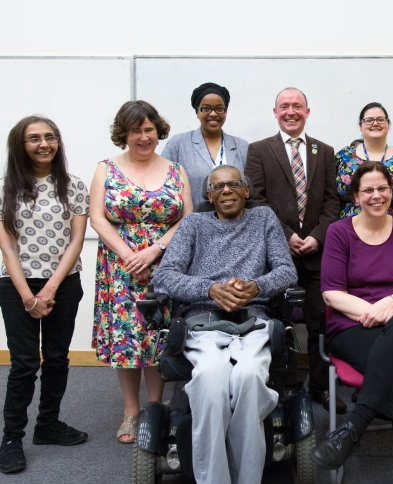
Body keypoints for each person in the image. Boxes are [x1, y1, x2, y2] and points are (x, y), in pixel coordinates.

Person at [152, 165, 297, 484]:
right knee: (210, 378)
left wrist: (254, 288)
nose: (226, 191)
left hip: (253, 318)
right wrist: (209, 289)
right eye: (217, 187)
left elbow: (287, 272)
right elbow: (163, 277)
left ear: (247, 191)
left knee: (248, 376)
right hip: (202, 320)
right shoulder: (192, 224)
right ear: (208, 195)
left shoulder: (263, 219)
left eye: (233, 185)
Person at [312, 162, 393, 484]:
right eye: (368, 190)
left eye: (382, 188)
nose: (376, 195)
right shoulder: (339, 231)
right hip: (354, 325)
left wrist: (389, 305)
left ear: (392, 192)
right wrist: (373, 312)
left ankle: (356, 423)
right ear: (355, 195)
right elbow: (332, 293)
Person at [90, 100, 192, 444]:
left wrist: (155, 250)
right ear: (125, 133)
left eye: (149, 129)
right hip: (120, 265)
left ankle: (155, 408)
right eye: (137, 130)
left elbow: (187, 218)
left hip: (166, 262)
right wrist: (130, 255)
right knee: (128, 337)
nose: (144, 137)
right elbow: (98, 218)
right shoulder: (106, 168)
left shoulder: (176, 170)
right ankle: (131, 412)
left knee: (158, 335)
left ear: (157, 130)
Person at [245, 87, 345, 412]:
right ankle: (282, 386)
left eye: (297, 106)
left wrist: (318, 235)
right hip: (276, 254)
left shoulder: (325, 152)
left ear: (307, 111)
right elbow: (255, 199)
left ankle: (321, 387)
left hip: (319, 253)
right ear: (275, 112)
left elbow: (333, 200)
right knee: (278, 321)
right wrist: (285, 234)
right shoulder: (259, 151)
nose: (291, 111)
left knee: (321, 322)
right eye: (284, 106)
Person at [0, 117, 89, 474]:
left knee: (56, 358)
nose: (44, 144)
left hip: (64, 284)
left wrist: (50, 287)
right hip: (16, 284)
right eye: (34, 138)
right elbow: (7, 245)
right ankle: (11, 438)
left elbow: (77, 241)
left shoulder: (75, 186)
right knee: (23, 363)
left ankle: (47, 425)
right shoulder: (5, 188)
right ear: (20, 146)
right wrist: (26, 294)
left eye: (50, 137)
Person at [161, 82, 249, 206]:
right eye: (206, 108)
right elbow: (163, 187)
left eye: (219, 109)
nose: (213, 114)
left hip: (235, 222)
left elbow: (249, 188)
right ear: (197, 112)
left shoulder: (242, 147)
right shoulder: (178, 144)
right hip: (192, 220)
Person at [336, 102, 393, 218]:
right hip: (348, 228)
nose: (375, 123)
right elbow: (330, 197)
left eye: (380, 119)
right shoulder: (343, 156)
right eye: (369, 120)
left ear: (388, 124)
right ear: (360, 126)